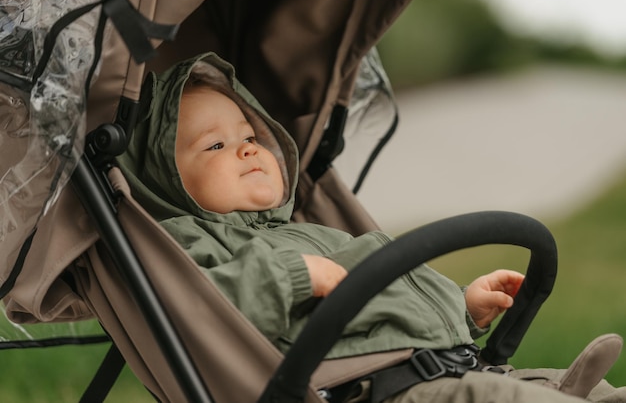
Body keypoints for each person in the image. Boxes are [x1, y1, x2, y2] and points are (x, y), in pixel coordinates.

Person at [117, 52, 625, 402]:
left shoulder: (311, 229)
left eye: (249, 134)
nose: (248, 148)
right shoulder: (189, 242)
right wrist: (294, 277)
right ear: (165, 179)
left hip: (451, 367)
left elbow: (392, 304)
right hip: (378, 390)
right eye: (215, 145)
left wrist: (463, 307)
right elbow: (199, 311)